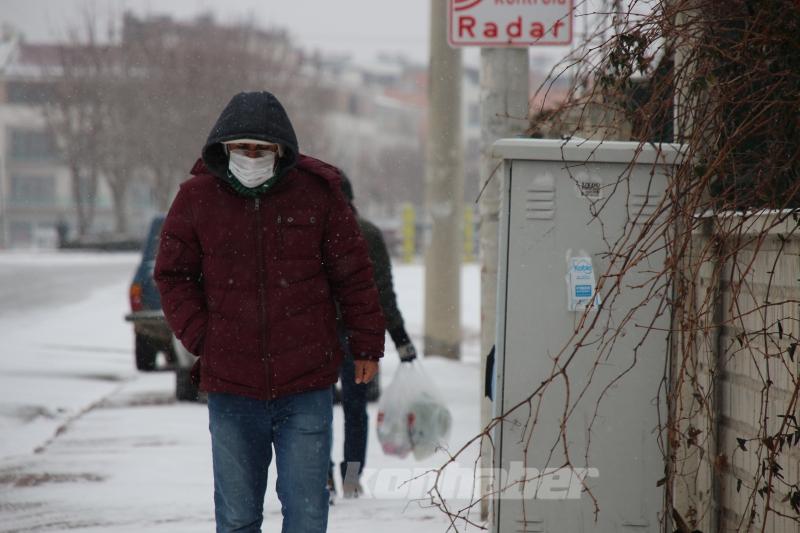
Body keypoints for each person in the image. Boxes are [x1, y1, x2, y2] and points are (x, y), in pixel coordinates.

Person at [154, 91, 385, 533]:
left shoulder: (318, 195)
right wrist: (204, 337)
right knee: (238, 518)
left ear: (281, 150)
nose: (251, 157)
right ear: (224, 148)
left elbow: (354, 276)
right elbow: (172, 274)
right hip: (232, 387)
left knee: (308, 516)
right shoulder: (196, 198)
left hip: (306, 384)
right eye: (242, 148)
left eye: (261, 149)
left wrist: (367, 345)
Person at [328, 175, 417, 500]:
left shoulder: (311, 232)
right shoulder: (367, 233)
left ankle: (323, 476)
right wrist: (400, 336)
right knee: (355, 409)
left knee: (316, 408)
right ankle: (351, 479)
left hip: (318, 334)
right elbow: (382, 291)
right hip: (357, 335)